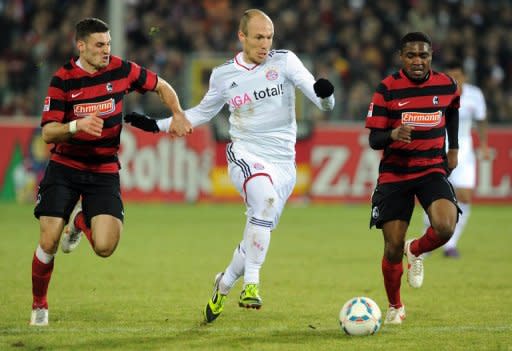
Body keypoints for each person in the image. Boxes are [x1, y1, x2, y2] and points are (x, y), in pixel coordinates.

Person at [125, 9, 335, 323]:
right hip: (246, 154)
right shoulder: (224, 76)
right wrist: (155, 126)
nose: (265, 44)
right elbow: (200, 114)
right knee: (263, 201)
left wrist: (327, 96)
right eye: (258, 37)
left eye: (269, 37)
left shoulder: (286, 61)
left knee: (258, 226)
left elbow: (321, 100)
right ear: (242, 37)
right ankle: (252, 284)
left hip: (283, 165)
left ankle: (223, 284)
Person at [30, 17, 192, 326]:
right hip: (65, 167)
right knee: (49, 241)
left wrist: (178, 113)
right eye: (99, 45)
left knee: (105, 247)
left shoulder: (121, 69)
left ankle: (79, 220)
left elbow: (161, 85)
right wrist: (77, 125)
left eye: (109, 44)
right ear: (81, 46)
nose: (106, 51)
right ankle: (39, 304)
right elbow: (49, 133)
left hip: (103, 169)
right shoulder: (62, 79)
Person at [365, 32, 461, 325]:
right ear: (401, 57)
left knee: (445, 226)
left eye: (424, 55)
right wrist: (392, 134)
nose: (418, 61)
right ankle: (395, 305)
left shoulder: (446, 84)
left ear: (431, 56)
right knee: (392, 247)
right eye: (411, 56)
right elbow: (374, 139)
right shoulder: (387, 90)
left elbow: (453, 112)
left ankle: (415, 249)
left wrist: (453, 147)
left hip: (432, 168)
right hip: (396, 174)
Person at [422, 61, 489, 258]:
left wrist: (484, 145)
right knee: (434, 196)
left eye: (457, 76)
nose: (454, 80)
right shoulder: (436, 93)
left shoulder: (475, 95)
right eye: (450, 76)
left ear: (464, 77)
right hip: (437, 147)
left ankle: (450, 244)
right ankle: (428, 239)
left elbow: (481, 120)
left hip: (464, 150)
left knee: (465, 196)